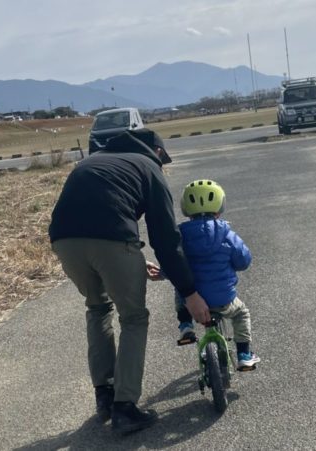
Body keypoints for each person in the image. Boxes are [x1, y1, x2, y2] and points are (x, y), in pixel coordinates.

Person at [48, 128, 211, 435]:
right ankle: (125, 408)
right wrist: (189, 292)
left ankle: (106, 395)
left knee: (97, 309)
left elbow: (98, 213)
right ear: (159, 153)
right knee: (134, 317)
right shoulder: (149, 166)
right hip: (111, 241)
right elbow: (166, 239)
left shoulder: (94, 160)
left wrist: (131, 256)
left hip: (64, 240)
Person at [174, 179, 261, 370]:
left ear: (185, 208)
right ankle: (244, 353)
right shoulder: (227, 234)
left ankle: (185, 325)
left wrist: (162, 273)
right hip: (223, 299)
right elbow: (244, 260)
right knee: (241, 313)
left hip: (192, 302)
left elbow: (174, 262)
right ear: (220, 207)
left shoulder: (180, 236)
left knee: (180, 286)